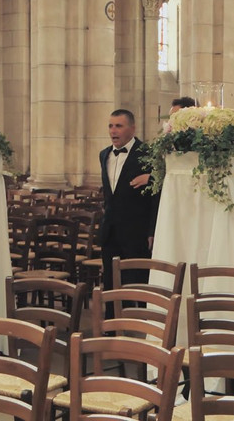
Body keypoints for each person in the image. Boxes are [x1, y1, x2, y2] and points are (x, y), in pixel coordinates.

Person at [99, 109, 158, 316]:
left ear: (132, 128)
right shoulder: (104, 154)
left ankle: (143, 325)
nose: (113, 131)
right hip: (110, 230)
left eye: (119, 126)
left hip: (137, 231)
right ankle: (110, 328)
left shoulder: (148, 153)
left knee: (139, 282)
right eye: (110, 126)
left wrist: (152, 231)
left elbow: (157, 196)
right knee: (110, 283)